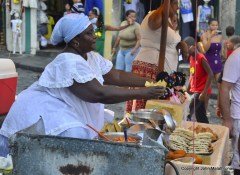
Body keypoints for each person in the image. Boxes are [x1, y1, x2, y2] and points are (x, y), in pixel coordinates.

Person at [0, 13, 166, 157]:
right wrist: (145, 93)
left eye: (93, 31)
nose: (95, 36)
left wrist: (149, 82)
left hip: (62, 109)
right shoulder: (68, 61)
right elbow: (98, 94)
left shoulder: (91, 56)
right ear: (75, 41)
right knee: (76, 136)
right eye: (89, 33)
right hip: (40, 113)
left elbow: (116, 75)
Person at [125, 0, 188, 112]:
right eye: (175, 4)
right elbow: (153, 25)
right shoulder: (154, 15)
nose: (177, 8)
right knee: (146, 110)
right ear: (167, 3)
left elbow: (171, 41)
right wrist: (165, 7)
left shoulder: (168, 20)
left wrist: (182, 45)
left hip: (164, 69)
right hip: (150, 68)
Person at [220, 46, 240, 175]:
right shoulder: (236, 57)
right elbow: (224, 88)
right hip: (239, 117)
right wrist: (227, 120)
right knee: (238, 162)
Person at [184, 37, 213, 123]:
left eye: (187, 48)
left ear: (194, 46)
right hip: (195, 90)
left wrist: (204, 92)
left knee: (195, 112)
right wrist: (188, 88)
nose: (186, 50)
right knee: (198, 113)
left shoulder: (201, 58)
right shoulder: (191, 58)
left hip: (201, 91)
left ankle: (206, 130)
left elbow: (210, 74)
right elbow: (192, 74)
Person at [217, 35, 240, 117]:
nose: (227, 44)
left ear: (235, 44)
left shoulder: (233, 56)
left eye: (229, 43)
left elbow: (222, 87)